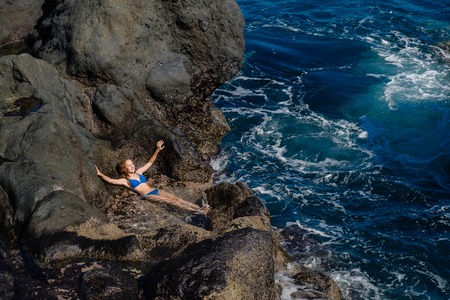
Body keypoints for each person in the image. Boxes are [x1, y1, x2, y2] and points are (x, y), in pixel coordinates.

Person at [96, 140, 209, 215]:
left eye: (132, 164)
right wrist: (101, 174)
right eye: (129, 165)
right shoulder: (125, 181)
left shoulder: (139, 172)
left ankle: (199, 208)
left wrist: (157, 150)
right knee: (172, 202)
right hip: (148, 195)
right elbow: (111, 180)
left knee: (177, 199)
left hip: (155, 190)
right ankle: (199, 211)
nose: (132, 166)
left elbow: (150, 163)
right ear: (124, 169)